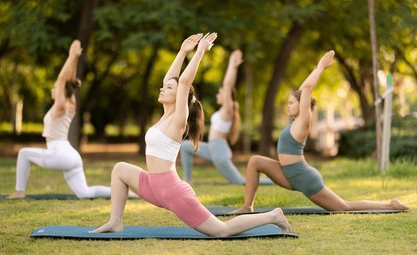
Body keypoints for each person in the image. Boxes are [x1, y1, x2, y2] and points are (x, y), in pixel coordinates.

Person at [90, 33, 291, 236]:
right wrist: (182, 51)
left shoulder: (179, 120)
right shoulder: (164, 117)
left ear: (179, 96)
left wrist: (200, 51)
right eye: (164, 86)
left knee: (221, 231)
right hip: (151, 184)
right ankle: (115, 222)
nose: (162, 87)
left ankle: (273, 216)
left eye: (168, 88)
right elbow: (172, 79)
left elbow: (184, 82)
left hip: (171, 191)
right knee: (120, 169)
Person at [231, 50, 409, 214]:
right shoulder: (294, 121)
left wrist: (320, 68)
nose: (288, 105)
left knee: (342, 207)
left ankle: (390, 204)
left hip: (303, 177)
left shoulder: (303, 121)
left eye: (291, 103)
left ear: (303, 106)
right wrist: (315, 71)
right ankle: (247, 206)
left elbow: (306, 90)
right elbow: (303, 89)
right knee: (255, 161)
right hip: (287, 173)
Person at [7, 40, 116, 199]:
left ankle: (19, 191)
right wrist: (75, 58)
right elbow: (70, 82)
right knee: (85, 193)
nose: (53, 89)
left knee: (23, 153)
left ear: (60, 92)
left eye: (55, 88)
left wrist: (71, 55)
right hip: (72, 156)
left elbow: (61, 80)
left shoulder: (60, 106)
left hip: (58, 153)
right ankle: (123, 193)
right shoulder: (70, 103)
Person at [180, 49, 273, 185]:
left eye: (220, 93)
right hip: (212, 147)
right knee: (185, 146)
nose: (218, 94)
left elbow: (228, 85)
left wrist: (232, 64)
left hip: (219, 151)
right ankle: (187, 179)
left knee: (240, 181)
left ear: (227, 97)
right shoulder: (223, 112)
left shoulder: (227, 111)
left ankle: (275, 180)